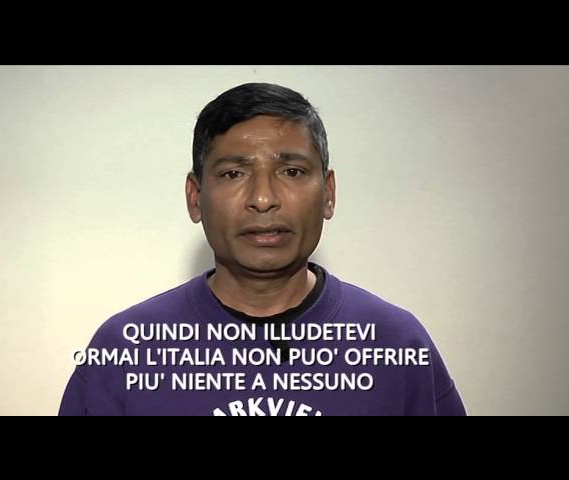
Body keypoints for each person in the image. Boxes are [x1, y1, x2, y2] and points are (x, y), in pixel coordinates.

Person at [59, 82, 466, 416]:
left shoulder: (397, 345)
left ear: (328, 193)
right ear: (195, 198)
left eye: (291, 171)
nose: (263, 198)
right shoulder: (124, 352)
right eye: (233, 173)